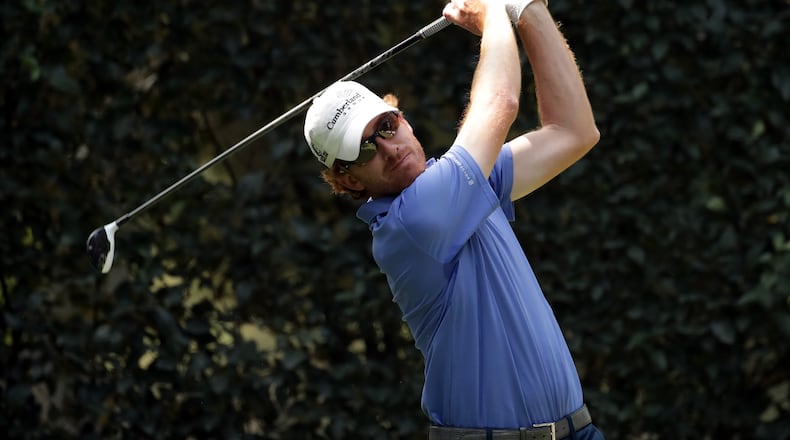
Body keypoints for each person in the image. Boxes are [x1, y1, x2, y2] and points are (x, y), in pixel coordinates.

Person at [303, 0, 603, 438]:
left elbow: (574, 131)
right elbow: (499, 102)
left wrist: (528, 10)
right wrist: (492, 17)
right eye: (364, 149)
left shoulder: (463, 185)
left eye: (385, 126)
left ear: (402, 118)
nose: (388, 147)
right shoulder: (409, 222)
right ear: (347, 182)